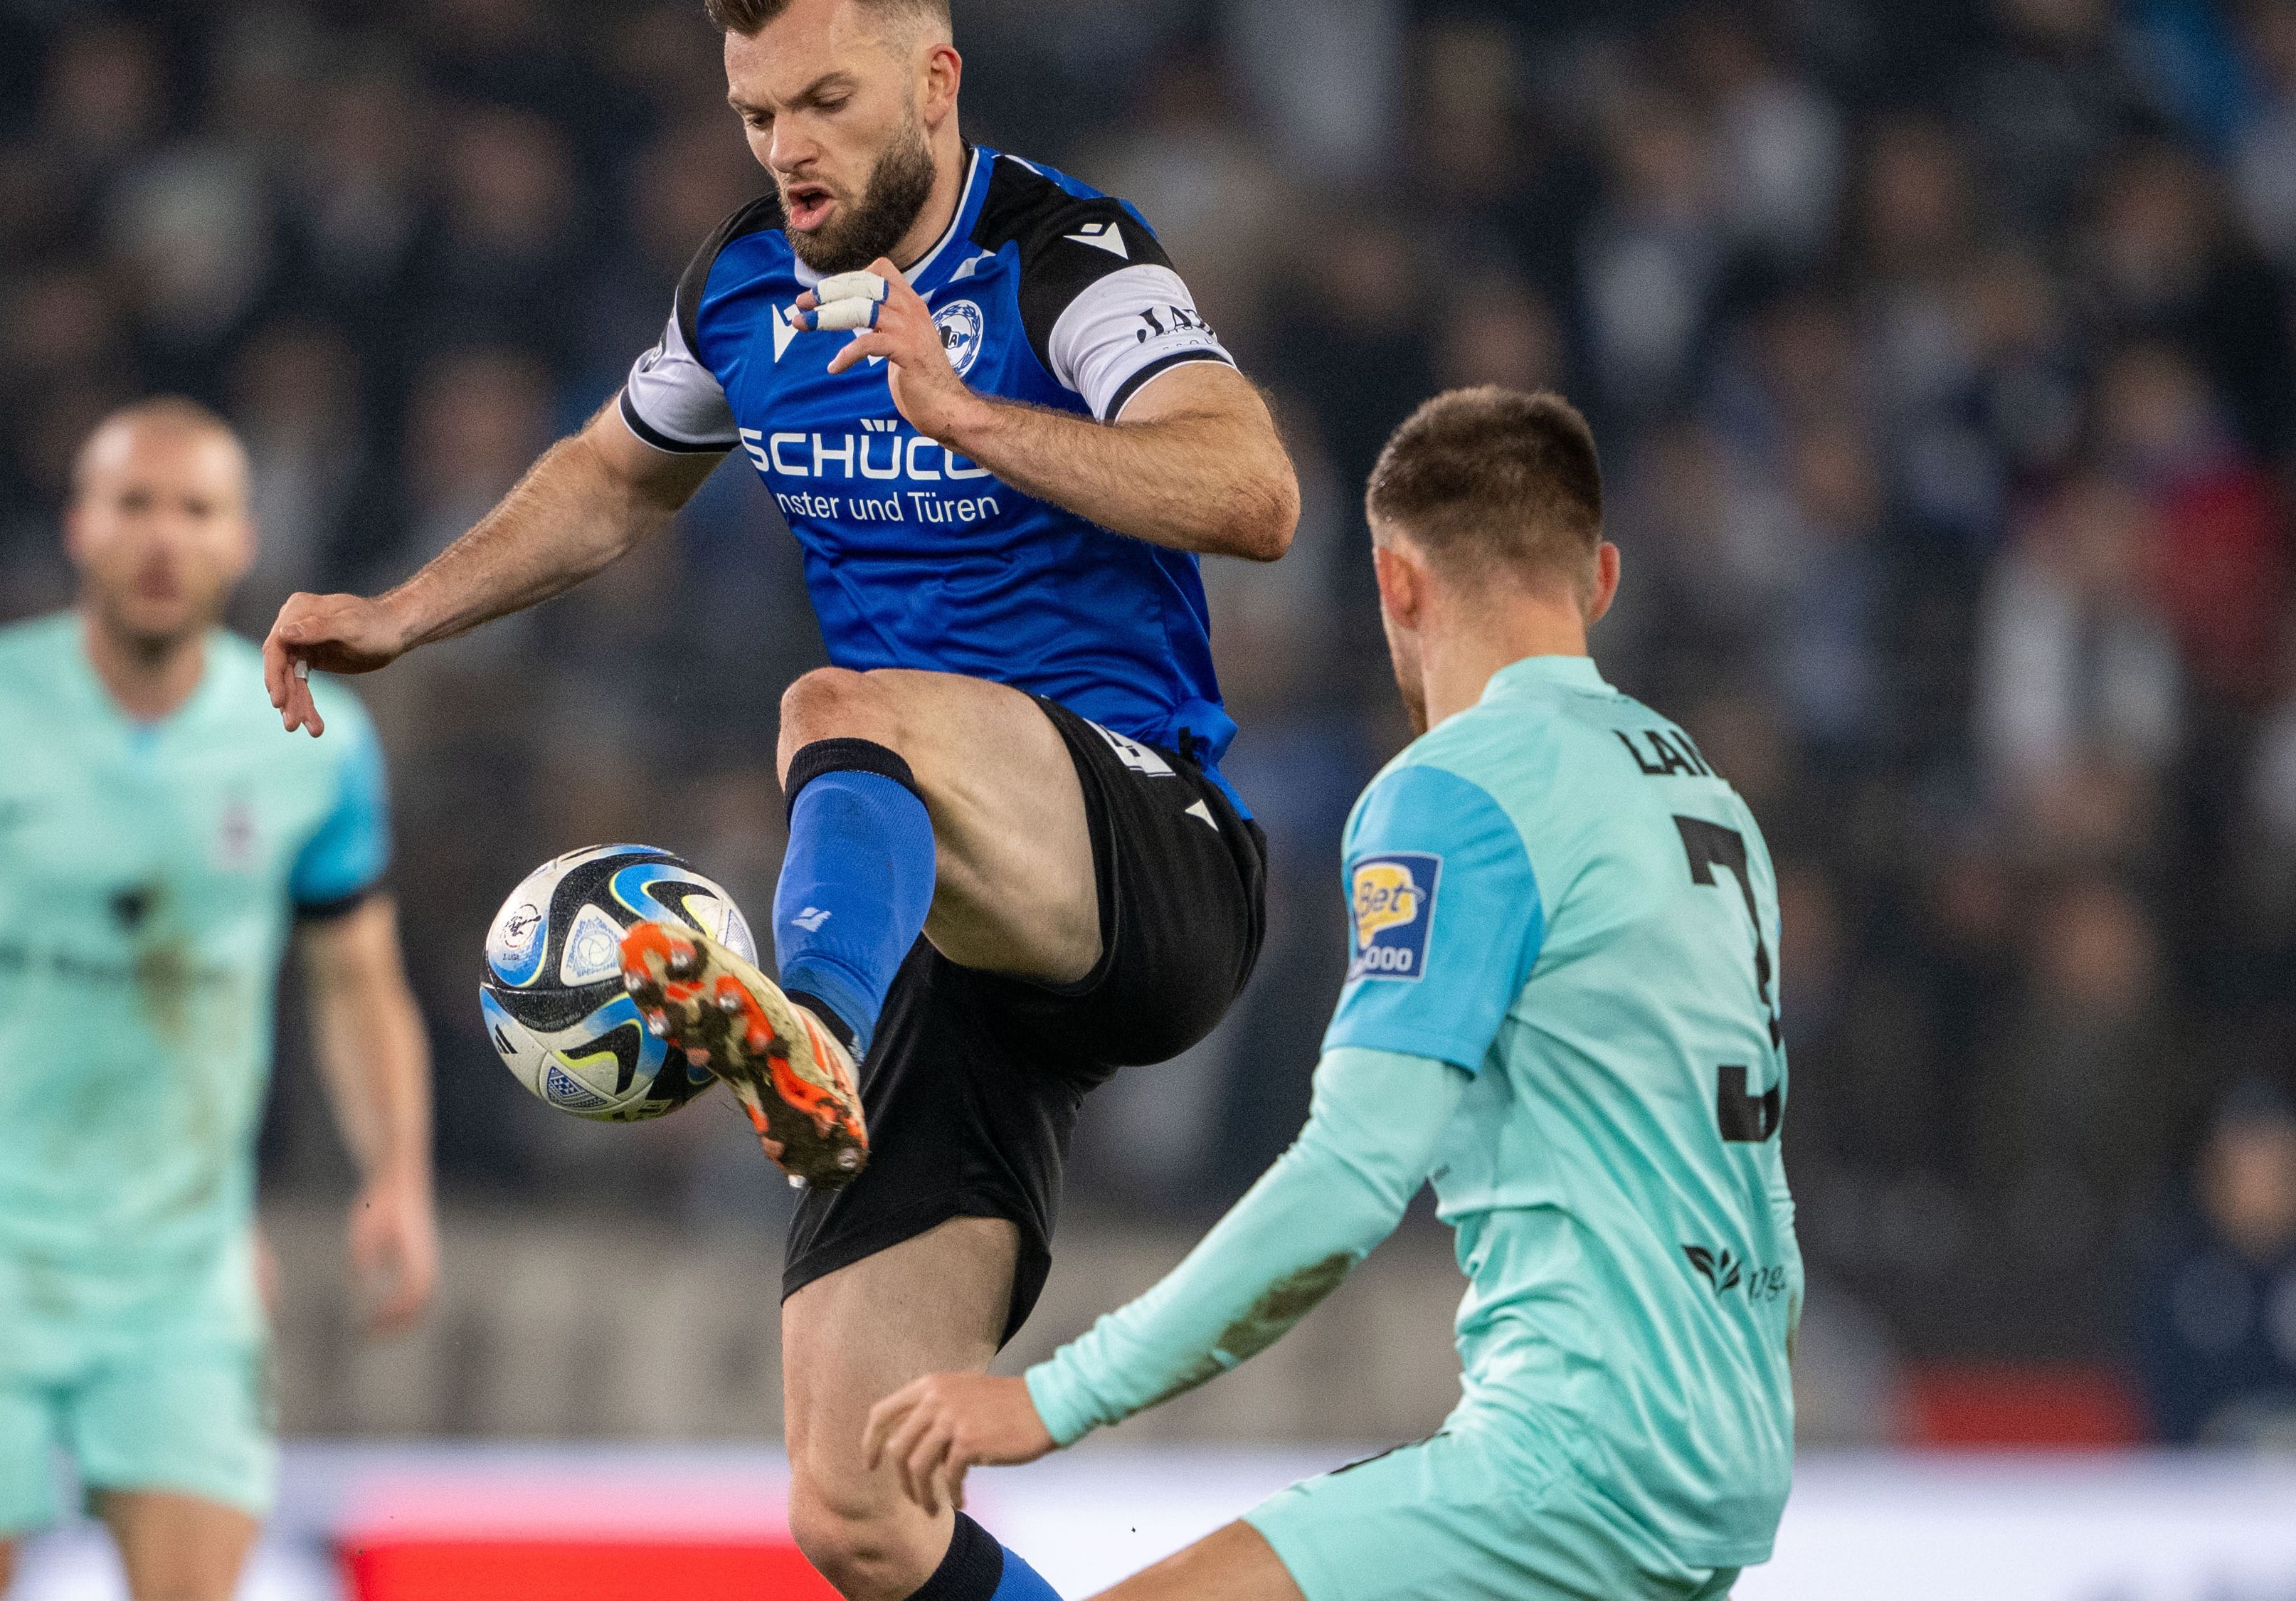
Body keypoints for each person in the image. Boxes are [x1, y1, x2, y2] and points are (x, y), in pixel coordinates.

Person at [262, 1, 1296, 1595]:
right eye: (756, 115)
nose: (786, 150)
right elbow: (614, 475)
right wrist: (404, 612)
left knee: (834, 708)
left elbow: (1249, 490)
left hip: (1142, 855)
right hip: (956, 959)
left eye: (822, 102)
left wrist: (962, 415)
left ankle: (799, 1023)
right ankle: (814, 1029)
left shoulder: (1062, 255)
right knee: (858, 1506)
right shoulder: (741, 285)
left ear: (933, 78)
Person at [865, 389, 1801, 1601]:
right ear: (1602, 580)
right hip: (1728, 1451)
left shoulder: (1455, 794)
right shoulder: (1703, 799)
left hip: (1579, 1459)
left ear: (1396, 586)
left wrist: (1053, 1398)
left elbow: (1353, 1178)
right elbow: (1757, 1182)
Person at [0, 399, 441, 1601]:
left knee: (194, 1577)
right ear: (79, 529)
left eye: (194, 509)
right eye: (133, 505)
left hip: (183, 1261)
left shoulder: (312, 741)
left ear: (244, 541)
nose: (162, 537)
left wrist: (397, 1173)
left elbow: (356, 979)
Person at [2131, 1077, 2296, 1447]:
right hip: (2205, 1493)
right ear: (2212, 1177)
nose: (2259, 1191)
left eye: (2274, 1172)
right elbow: (2161, 1409)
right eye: (2244, 1173)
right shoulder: (2173, 1280)